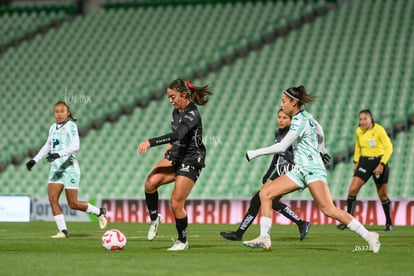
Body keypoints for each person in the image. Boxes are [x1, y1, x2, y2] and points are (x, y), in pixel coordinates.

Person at [243, 86, 381, 253]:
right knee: (265, 193)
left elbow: (282, 146)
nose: (282, 104)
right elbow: (319, 130)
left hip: (311, 169)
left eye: (284, 101)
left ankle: (369, 236)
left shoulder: (299, 121)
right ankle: (264, 238)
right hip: (300, 170)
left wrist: (255, 153)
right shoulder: (307, 117)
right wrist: (321, 149)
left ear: (294, 103)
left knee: (328, 210)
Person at [137, 79, 212, 251]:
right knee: (150, 184)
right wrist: (172, 145)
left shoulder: (192, 112)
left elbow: (178, 133)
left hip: (192, 159)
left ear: (183, 95)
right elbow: (181, 136)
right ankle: (155, 218)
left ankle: (182, 241)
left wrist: (150, 142)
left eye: (172, 97)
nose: (170, 100)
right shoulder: (176, 111)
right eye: (169, 97)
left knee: (176, 203)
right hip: (177, 155)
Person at [220, 109, 311, 241]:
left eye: (284, 118)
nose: (280, 120)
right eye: (279, 117)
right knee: (259, 199)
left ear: (291, 120)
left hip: (290, 172)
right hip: (279, 172)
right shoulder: (279, 133)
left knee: (267, 199)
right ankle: (239, 233)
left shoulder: (294, 134)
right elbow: (277, 154)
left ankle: (301, 223)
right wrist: (268, 173)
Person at [26, 101, 107, 238]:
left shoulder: (71, 126)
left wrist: (58, 154)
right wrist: (35, 160)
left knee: (73, 204)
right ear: (54, 113)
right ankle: (63, 231)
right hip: (56, 169)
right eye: (56, 111)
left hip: (69, 168)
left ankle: (99, 211)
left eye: (62, 111)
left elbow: (76, 145)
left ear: (68, 113)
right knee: (52, 199)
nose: (59, 114)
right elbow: (48, 145)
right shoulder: (52, 128)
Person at [337, 109, 393, 231]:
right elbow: (358, 146)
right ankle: (349, 221)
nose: (362, 121)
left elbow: (389, 147)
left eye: (365, 119)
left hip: (378, 162)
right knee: (352, 189)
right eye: (360, 119)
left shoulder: (379, 130)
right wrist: (356, 161)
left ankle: (389, 222)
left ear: (371, 119)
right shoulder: (359, 131)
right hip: (364, 162)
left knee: (382, 195)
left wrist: (382, 164)